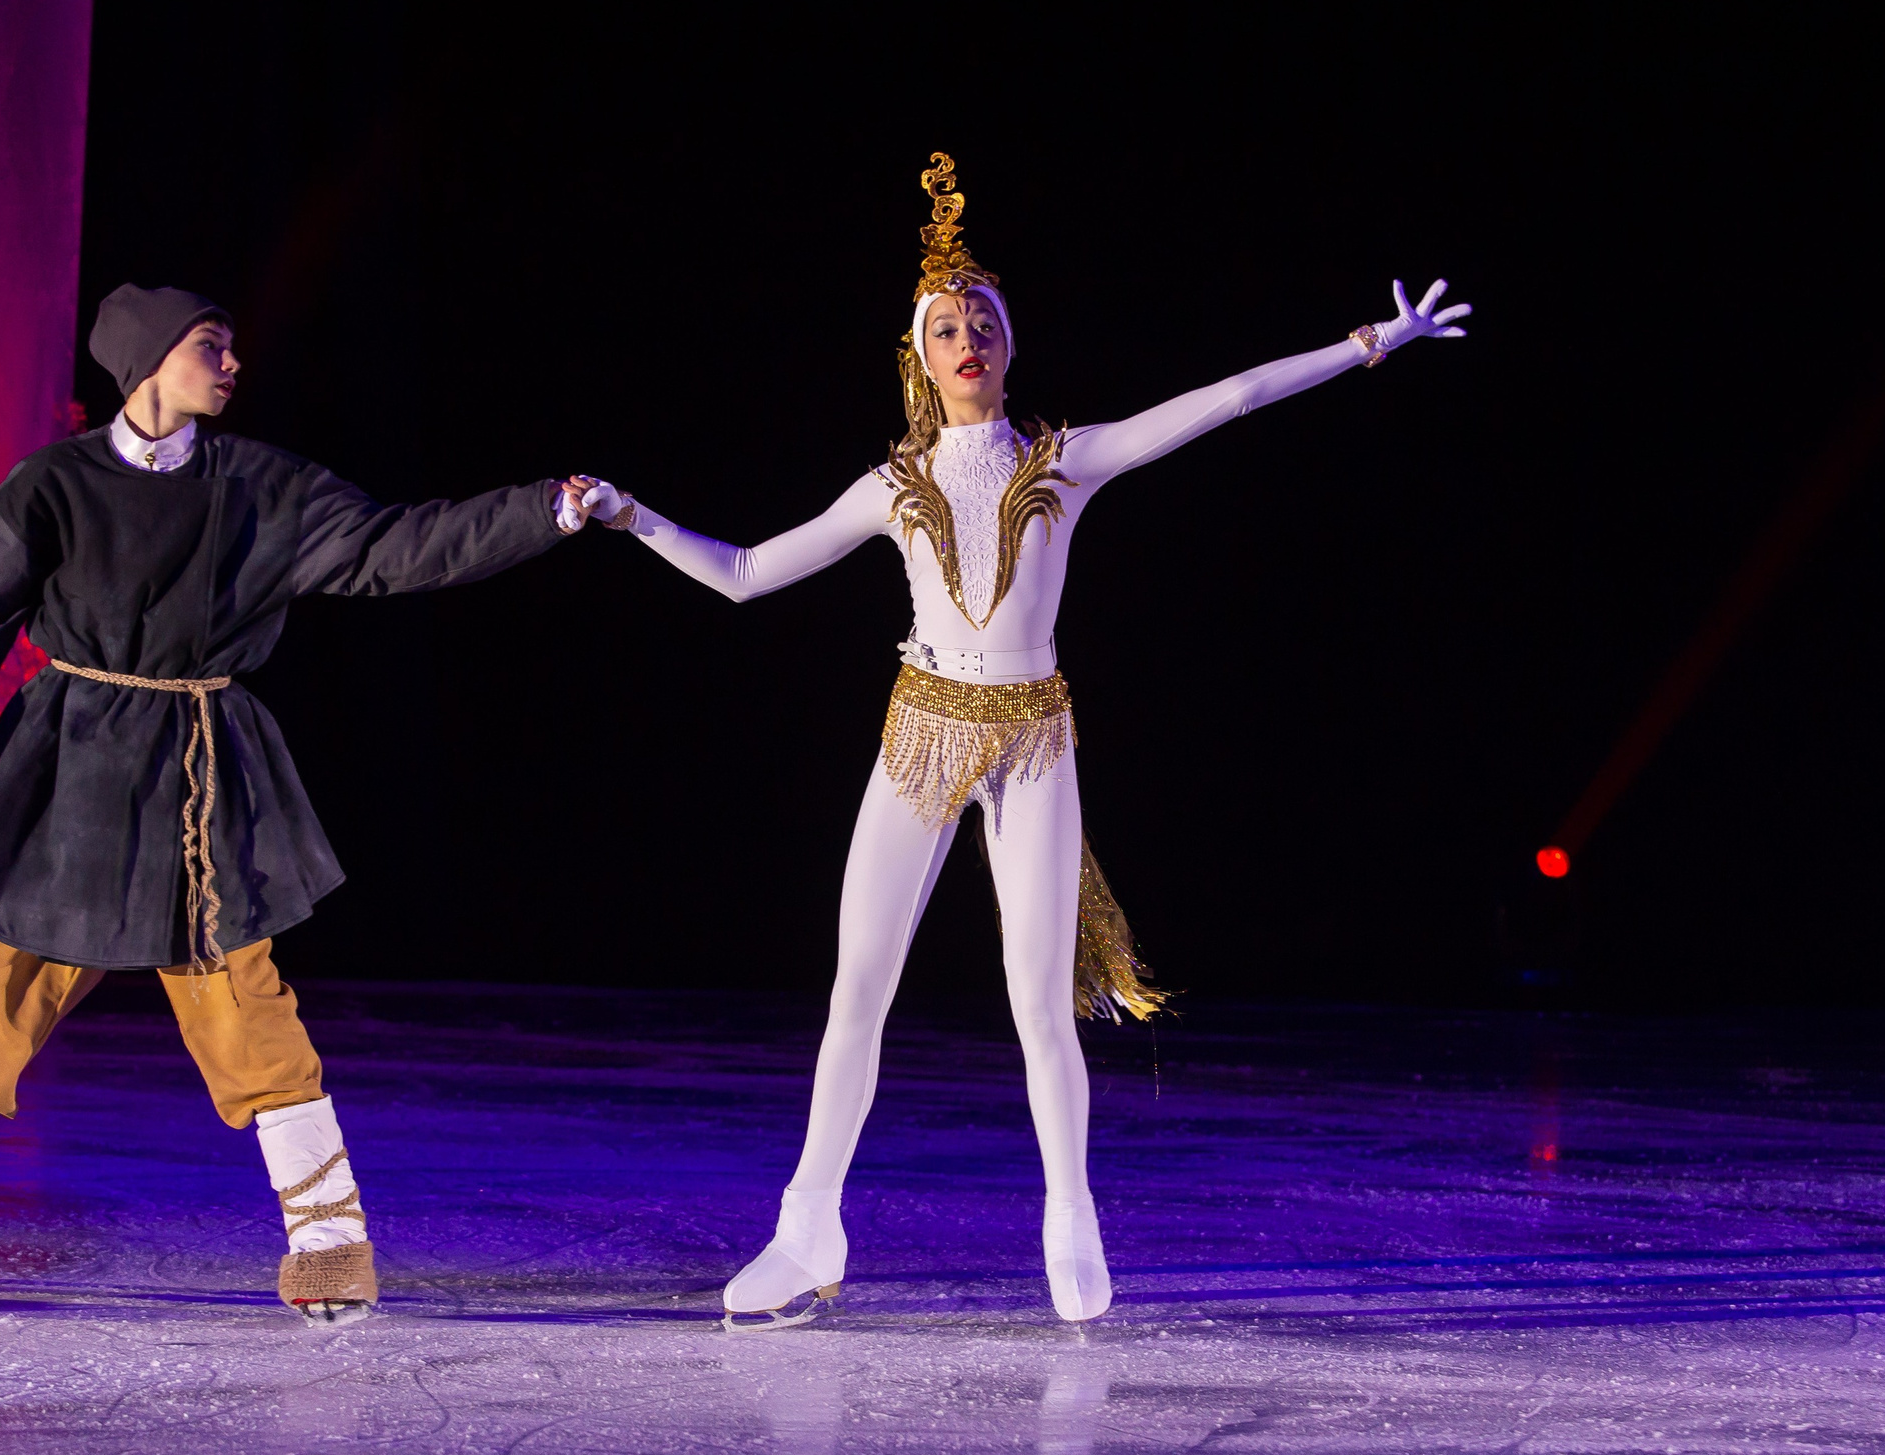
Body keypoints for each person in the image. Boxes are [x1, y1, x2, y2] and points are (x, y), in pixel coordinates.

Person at [571, 155, 1470, 1326]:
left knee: (1038, 1002)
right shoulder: (890, 484)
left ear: (1007, 342)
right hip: (923, 730)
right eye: (944, 326)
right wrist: (634, 516)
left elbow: (1227, 399)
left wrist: (1367, 345)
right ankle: (807, 1229)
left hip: (1035, 736)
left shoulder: (1062, 458)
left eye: (982, 321)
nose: (966, 339)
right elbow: (744, 575)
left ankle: (1070, 1215)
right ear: (919, 355)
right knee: (859, 992)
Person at [0, 283, 603, 1320]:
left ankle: (331, 1239)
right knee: (2, 986)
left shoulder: (262, 486)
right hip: (70, 765)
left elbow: (394, 548)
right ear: (150, 360)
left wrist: (541, 510)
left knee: (239, 995)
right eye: (212, 345)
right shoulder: (53, 485)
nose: (233, 362)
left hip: (197, 770)